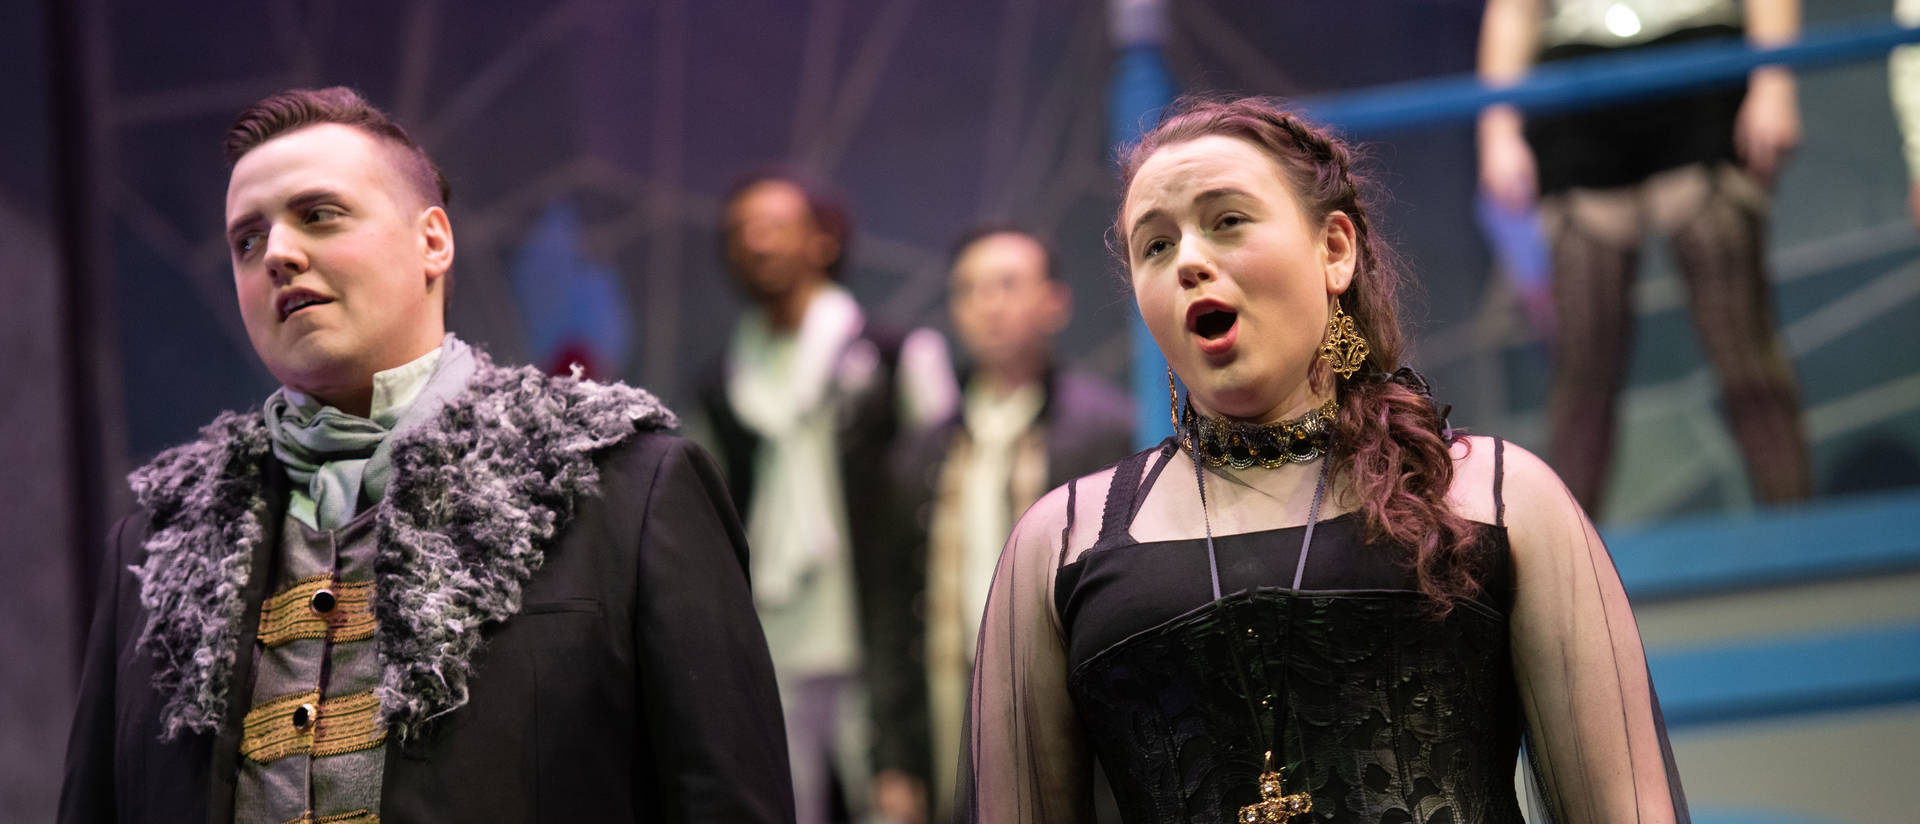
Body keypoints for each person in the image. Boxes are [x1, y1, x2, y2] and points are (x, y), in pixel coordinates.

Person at [58, 87, 793, 824]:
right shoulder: (162, 549)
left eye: (318, 215)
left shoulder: (625, 486)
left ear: (432, 242)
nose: (278, 253)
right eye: (247, 240)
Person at [956, 97, 1688, 822]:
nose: (1189, 261)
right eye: (1156, 244)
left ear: (1334, 249)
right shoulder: (1062, 544)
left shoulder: (1499, 498)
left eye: (1227, 221)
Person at [1478, 0, 1812, 513]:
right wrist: (1497, 132)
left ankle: (1801, 541)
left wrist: (1775, 80)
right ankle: (1565, 575)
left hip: (1701, 62)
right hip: (1574, 84)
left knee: (1742, 344)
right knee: (1584, 363)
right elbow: (1513, 8)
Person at [699, 173, 953, 824]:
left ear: (822, 239)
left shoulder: (895, 355)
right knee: (781, 799)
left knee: (901, 798)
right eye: (741, 231)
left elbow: (943, 484)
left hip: (884, 619)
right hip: (773, 622)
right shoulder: (723, 384)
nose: (757, 243)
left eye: (775, 225)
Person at [869, 228, 1133, 824]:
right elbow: (888, 611)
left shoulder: (1106, 432)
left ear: (1053, 302)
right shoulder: (919, 452)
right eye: (970, 290)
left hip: (1072, 689)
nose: (989, 305)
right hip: (948, 692)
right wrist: (892, 758)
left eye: (1008, 285)